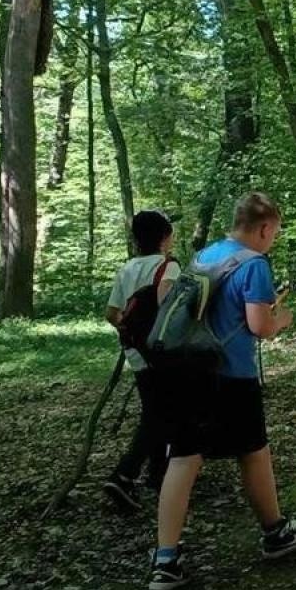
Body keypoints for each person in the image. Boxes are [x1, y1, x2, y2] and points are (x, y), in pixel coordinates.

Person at [148, 192, 296, 590]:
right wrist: (282, 319)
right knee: (254, 451)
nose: (272, 240)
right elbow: (259, 326)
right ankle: (276, 531)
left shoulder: (204, 256)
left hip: (187, 371)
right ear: (264, 228)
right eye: (274, 233)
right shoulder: (254, 264)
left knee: (183, 459)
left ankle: (165, 559)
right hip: (230, 374)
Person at [102, 209, 181, 511]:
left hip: (136, 353)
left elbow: (111, 313)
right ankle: (124, 474)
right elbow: (171, 309)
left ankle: (158, 475)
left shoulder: (127, 269)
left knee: (157, 409)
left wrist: (132, 332)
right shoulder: (168, 267)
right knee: (159, 415)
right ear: (164, 236)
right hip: (162, 352)